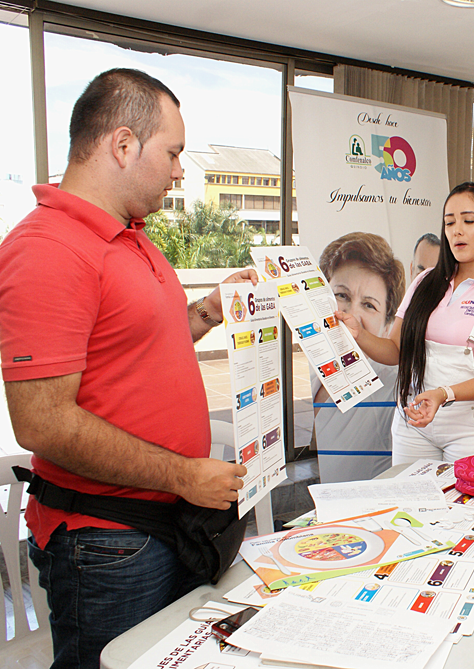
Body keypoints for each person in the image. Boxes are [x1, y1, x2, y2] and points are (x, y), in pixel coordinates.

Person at [0, 69, 254, 669]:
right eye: (172, 153)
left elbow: (140, 346)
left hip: (164, 527)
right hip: (108, 543)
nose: (179, 171)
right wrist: (184, 475)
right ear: (121, 144)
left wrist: (208, 311)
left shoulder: (133, 237)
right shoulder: (48, 250)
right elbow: (41, 424)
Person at [338, 182, 474, 464]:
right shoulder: (425, 282)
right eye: (449, 222)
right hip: (416, 422)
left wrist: (445, 394)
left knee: (464, 507)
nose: (457, 230)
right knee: (409, 503)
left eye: (468, 221)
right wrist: (359, 335)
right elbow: (396, 350)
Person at [313, 232, 405, 482]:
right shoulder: (314, 368)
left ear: (388, 325)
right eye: (342, 295)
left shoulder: (395, 386)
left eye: (369, 305)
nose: (351, 314)